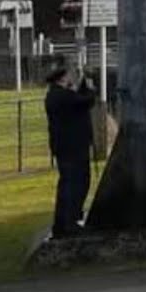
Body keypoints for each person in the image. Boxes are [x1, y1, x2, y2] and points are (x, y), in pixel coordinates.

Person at [45, 62, 96, 238]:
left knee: (71, 183)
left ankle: (66, 222)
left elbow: (78, 100)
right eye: (69, 75)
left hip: (67, 147)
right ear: (63, 77)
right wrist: (89, 86)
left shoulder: (56, 95)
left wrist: (81, 85)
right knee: (74, 184)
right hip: (72, 147)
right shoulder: (62, 96)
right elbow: (86, 101)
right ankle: (68, 223)